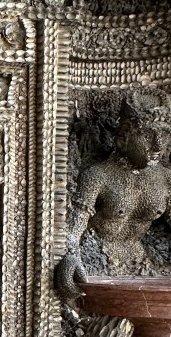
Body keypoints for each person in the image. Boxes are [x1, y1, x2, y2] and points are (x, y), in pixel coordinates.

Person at [57, 89, 171, 301]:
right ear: (125, 137)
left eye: (164, 135)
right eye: (147, 136)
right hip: (97, 261)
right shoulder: (98, 176)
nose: (158, 145)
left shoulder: (165, 179)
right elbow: (73, 230)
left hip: (143, 265)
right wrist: (71, 256)